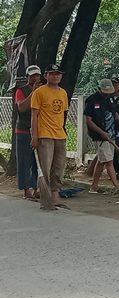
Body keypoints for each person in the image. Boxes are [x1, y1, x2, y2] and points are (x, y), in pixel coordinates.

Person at [30, 64, 69, 210]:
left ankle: (55, 195)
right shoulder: (39, 92)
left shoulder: (63, 93)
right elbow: (34, 116)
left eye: (58, 74)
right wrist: (35, 136)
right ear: (46, 75)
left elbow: (63, 114)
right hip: (44, 134)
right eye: (52, 74)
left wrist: (64, 130)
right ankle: (45, 196)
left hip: (60, 134)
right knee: (45, 167)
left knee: (58, 166)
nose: (56, 76)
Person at [85, 79, 119, 193]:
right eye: (105, 92)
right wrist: (102, 133)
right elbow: (89, 121)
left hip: (111, 134)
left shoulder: (109, 99)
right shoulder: (92, 100)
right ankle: (117, 186)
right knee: (109, 162)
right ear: (99, 89)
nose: (107, 94)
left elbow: (115, 114)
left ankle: (94, 187)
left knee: (102, 161)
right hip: (99, 136)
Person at [14, 65, 42, 200]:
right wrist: (33, 93)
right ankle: (26, 190)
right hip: (24, 130)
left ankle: (36, 187)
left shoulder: (44, 90)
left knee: (37, 162)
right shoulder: (21, 90)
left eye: (37, 75)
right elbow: (22, 107)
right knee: (24, 160)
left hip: (39, 130)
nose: (35, 78)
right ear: (27, 77)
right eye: (32, 76)